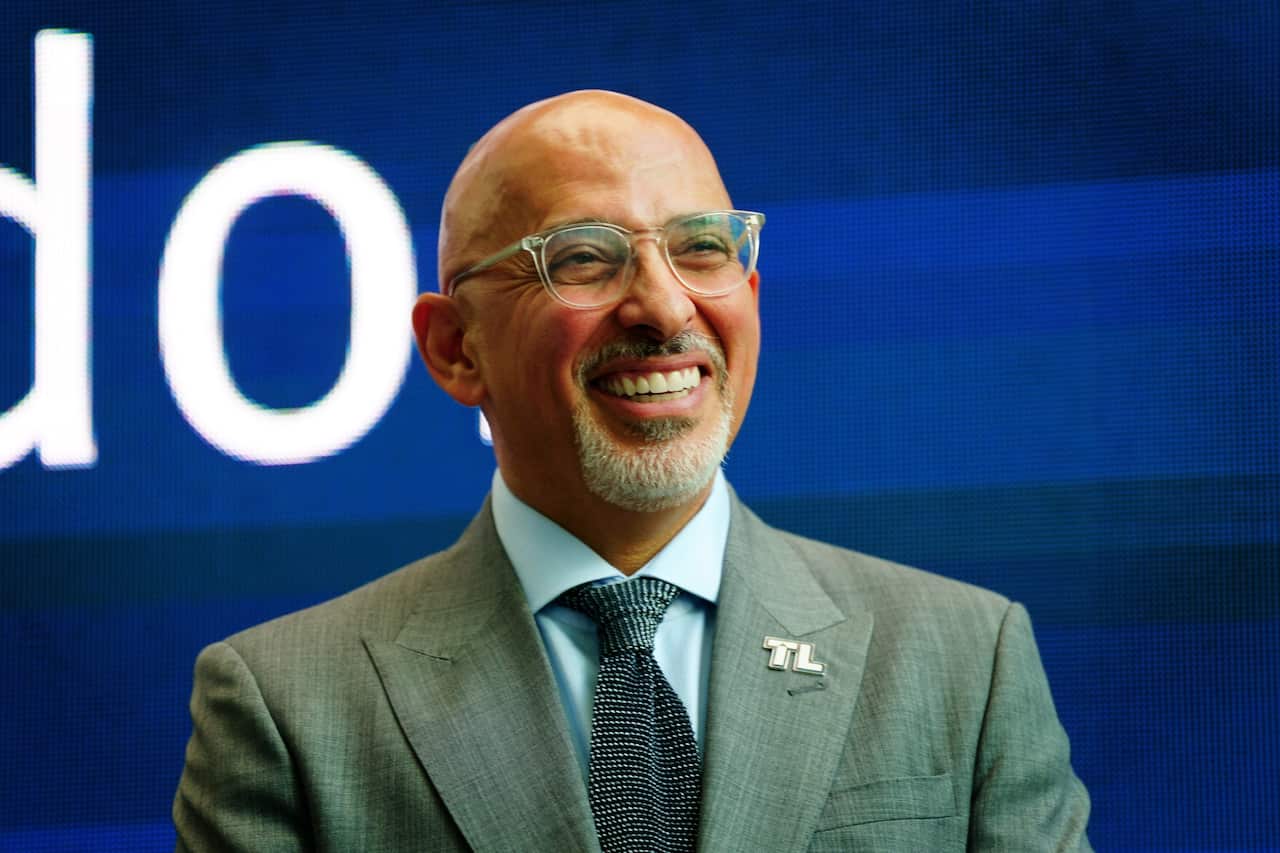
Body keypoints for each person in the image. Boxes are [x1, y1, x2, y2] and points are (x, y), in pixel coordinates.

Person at [173, 90, 1092, 851]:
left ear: (749, 293)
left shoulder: (965, 661)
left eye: (702, 249)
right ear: (455, 347)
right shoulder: (288, 707)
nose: (664, 306)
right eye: (583, 258)